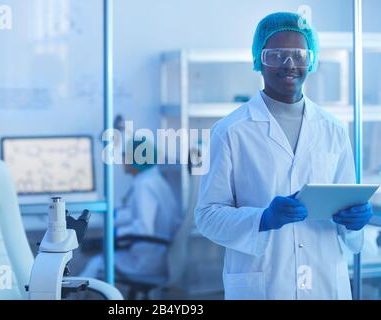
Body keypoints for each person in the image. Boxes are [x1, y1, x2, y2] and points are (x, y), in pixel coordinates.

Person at [195, 12, 373, 300]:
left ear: (310, 60)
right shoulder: (230, 131)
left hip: (325, 283)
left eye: (298, 55)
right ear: (259, 61)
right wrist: (262, 219)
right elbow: (207, 216)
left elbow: (348, 226)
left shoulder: (334, 129)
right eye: (276, 55)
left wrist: (355, 223)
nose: (289, 64)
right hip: (265, 286)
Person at [81, 139, 181, 281]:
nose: (122, 159)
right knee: (97, 257)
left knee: (95, 264)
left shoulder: (144, 185)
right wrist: (112, 218)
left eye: (125, 155)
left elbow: (144, 228)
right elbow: (138, 214)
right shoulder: (153, 179)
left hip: (147, 260)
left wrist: (115, 234)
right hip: (158, 253)